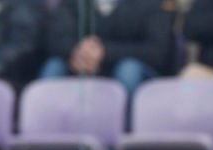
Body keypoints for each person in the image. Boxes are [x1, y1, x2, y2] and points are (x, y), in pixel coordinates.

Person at [40, 0, 175, 96]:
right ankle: (45, 133)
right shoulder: (74, 3)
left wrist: (104, 52)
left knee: (129, 70)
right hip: (82, 67)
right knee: (54, 66)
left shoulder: (153, 3)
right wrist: (78, 52)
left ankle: (126, 131)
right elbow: (54, 39)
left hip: (134, 72)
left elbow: (157, 52)